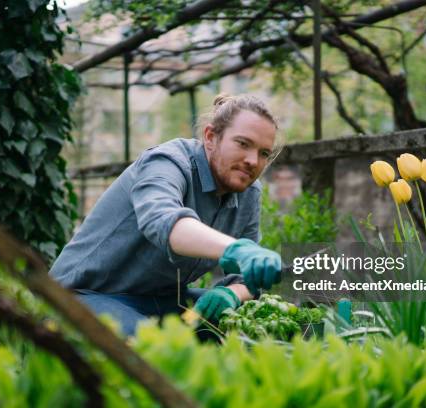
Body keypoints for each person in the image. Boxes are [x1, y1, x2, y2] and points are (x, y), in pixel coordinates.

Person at [49, 94, 282, 335]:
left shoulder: (248, 192)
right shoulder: (168, 162)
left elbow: (245, 279)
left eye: (264, 153)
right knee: (149, 348)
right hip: (84, 295)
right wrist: (236, 250)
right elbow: (164, 221)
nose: (252, 161)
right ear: (211, 137)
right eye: (243, 144)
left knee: (253, 328)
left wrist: (230, 293)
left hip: (161, 300)